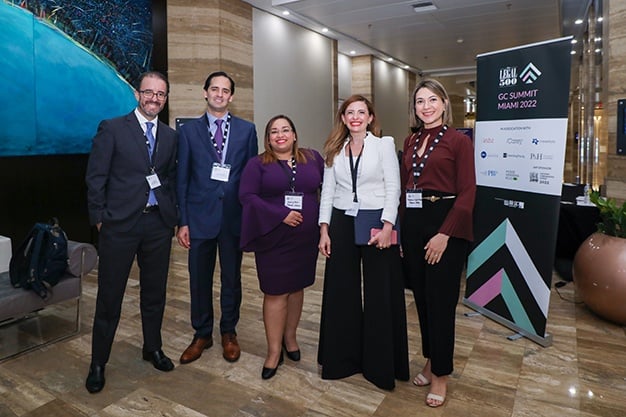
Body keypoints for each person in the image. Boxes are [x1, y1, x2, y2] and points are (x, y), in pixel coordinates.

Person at [84, 71, 178, 394]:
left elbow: (170, 178)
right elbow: (96, 177)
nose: (154, 98)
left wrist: (172, 214)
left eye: (160, 94)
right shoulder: (112, 129)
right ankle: (98, 363)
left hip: (157, 226)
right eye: (149, 92)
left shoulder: (170, 136)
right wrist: (100, 219)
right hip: (119, 226)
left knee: (155, 293)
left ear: (165, 99)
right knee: (109, 297)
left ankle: (153, 348)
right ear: (138, 94)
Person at [317, 94, 409, 390]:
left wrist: (387, 226)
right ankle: (342, 360)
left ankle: (380, 366)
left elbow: (394, 187)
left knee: (380, 292)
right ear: (343, 119)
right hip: (342, 221)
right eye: (350, 112)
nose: (355, 117)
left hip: (376, 221)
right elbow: (327, 192)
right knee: (340, 290)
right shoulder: (334, 149)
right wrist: (324, 230)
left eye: (361, 112)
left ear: (370, 118)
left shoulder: (383, 145)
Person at [399, 78, 476, 407]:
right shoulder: (411, 139)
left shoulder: (459, 141)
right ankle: (431, 360)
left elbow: (468, 193)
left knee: (441, 304)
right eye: (420, 101)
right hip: (414, 223)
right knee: (422, 299)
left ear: (444, 103)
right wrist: (402, 232)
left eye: (432, 100)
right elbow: (405, 188)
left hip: (445, 223)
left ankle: (441, 375)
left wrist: (445, 234)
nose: (426, 106)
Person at [176, 71, 258, 364]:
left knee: (231, 279)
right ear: (205, 92)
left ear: (231, 96)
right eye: (214, 89)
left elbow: (251, 178)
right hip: (199, 218)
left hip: (233, 218)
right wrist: (182, 221)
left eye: (225, 90)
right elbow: (182, 179)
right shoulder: (188, 131)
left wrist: (250, 219)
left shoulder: (247, 131)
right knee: (199, 279)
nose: (219, 94)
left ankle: (228, 332)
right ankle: (202, 333)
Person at [239, 115, 324, 379]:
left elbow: (328, 188)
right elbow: (246, 196)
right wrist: (280, 214)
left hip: (305, 240)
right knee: (275, 292)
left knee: (297, 288)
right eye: (274, 131)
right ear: (268, 138)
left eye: (285, 130)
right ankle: (274, 351)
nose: (280, 135)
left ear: (295, 134)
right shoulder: (257, 164)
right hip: (273, 238)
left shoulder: (312, 158)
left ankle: (290, 338)